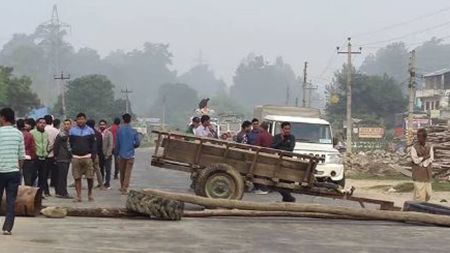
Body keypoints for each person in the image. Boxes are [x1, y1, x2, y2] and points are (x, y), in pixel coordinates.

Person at [0, 108, 25, 235]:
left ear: (3, 118)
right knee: (11, 201)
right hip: (14, 172)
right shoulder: (19, 134)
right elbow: (21, 156)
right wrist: (18, 169)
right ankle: (7, 228)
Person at [69, 113, 97, 202]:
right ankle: (79, 196)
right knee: (77, 177)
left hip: (87, 157)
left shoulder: (90, 131)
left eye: (82, 119)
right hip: (76, 157)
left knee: (90, 177)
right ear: (76, 120)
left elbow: (94, 144)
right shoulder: (72, 131)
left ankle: (90, 194)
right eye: (79, 119)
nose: (80, 121)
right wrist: (71, 153)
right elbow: (69, 144)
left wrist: (93, 155)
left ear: (85, 120)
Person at [272, 122, 296, 202]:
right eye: (285, 129)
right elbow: (273, 147)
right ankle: (288, 198)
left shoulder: (292, 138)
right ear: (282, 129)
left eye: (289, 129)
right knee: (277, 183)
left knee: (287, 182)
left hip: (288, 163)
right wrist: (281, 141)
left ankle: (287, 198)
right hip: (278, 162)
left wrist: (281, 148)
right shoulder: (277, 137)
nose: (287, 131)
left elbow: (290, 149)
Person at [116, 113, 140, 194]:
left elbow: (117, 144)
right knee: (127, 173)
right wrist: (132, 146)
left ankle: (122, 186)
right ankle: (125, 188)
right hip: (130, 155)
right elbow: (137, 143)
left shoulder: (119, 131)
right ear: (130, 120)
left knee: (122, 171)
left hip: (121, 154)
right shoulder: (134, 131)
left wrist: (117, 154)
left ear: (123, 120)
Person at [411, 128, 434, 202]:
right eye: (418, 136)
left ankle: (417, 204)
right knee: (420, 195)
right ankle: (418, 210)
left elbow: (431, 158)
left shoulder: (430, 146)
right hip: (418, 173)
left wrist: (424, 163)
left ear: (425, 137)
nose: (418, 138)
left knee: (428, 193)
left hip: (427, 173)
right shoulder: (414, 148)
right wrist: (424, 158)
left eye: (420, 137)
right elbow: (415, 160)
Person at [54, 119, 73, 198]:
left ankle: (60, 192)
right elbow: (56, 146)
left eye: (68, 124)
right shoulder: (62, 135)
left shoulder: (69, 134)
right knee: (62, 176)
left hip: (66, 158)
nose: (66, 126)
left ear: (71, 125)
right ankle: (63, 192)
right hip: (62, 158)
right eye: (65, 124)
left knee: (63, 176)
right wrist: (56, 156)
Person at [253, 121, 273, 195]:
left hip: (261, 156)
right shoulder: (270, 136)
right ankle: (265, 187)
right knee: (265, 173)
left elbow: (257, 147)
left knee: (259, 172)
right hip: (269, 156)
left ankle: (262, 188)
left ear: (262, 127)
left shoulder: (260, 135)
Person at [31, 118, 49, 197]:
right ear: (37, 124)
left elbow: (47, 143)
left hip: (44, 158)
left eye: (44, 123)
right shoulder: (32, 133)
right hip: (36, 157)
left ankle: (39, 194)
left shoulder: (46, 133)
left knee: (43, 177)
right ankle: (31, 193)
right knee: (33, 176)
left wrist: (47, 152)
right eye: (40, 123)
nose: (42, 124)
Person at [16, 119, 36, 186]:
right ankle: (27, 193)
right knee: (27, 177)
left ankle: (18, 191)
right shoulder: (29, 135)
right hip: (28, 157)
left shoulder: (17, 134)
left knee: (18, 176)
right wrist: (33, 157)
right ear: (24, 125)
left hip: (18, 158)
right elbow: (33, 147)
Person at [44, 115, 59, 195]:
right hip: (54, 155)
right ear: (52, 121)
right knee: (55, 175)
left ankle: (46, 192)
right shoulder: (56, 131)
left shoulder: (43, 130)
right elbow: (58, 143)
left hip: (45, 156)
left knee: (44, 175)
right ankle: (57, 191)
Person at [87, 119, 104, 189]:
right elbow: (100, 145)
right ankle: (101, 184)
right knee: (97, 169)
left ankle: (90, 185)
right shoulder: (98, 134)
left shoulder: (87, 133)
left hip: (88, 154)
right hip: (96, 154)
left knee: (87, 170)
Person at [99, 119, 114, 189]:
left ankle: (107, 183)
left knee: (108, 170)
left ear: (106, 125)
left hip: (107, 154)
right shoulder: (98, 133)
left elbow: (110, 145)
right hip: (100, 155)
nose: (102, 126)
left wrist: (108, 154)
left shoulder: (109, 133)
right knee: (100, 169)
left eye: (103, 125)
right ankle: (101, 183)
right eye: (101, 125)